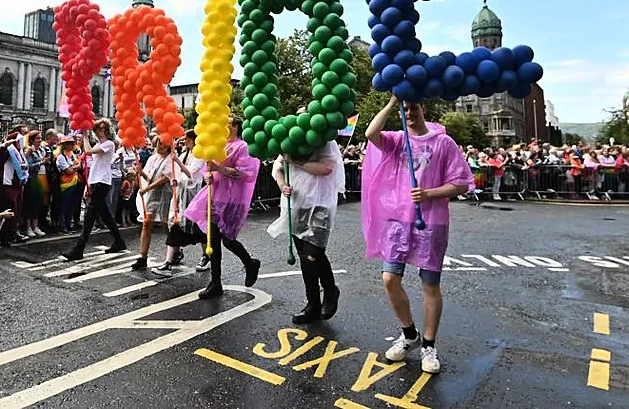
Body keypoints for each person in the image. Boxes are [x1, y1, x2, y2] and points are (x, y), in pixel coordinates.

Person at [362, 96, 473, 374]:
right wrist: (391, 103)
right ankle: (409, 334)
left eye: (413, 108)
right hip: (397, 220)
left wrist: (428, 194)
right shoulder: (397, 140)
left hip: (431, 221)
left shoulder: (443, 142)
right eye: (405, 109)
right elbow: (370, 133)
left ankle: (429, 346)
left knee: (430, 285)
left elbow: (461, 184)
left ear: (423, 108)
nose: (409, 113)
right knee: (389, 278)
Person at [184, 116, 261, 298]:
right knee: (213, 239)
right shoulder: (217, 144)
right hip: (215, 196)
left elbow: (244, 173)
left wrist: (219, 169)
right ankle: (215, 282)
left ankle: (250, 263)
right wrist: (207, 175)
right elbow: (206, 167)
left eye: (226, 123)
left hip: (233, 199)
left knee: (228, 240)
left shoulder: (242, 147)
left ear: (234, 127)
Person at [272, 139, 345, 323]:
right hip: (297, 204)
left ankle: (330, 288)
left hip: (320, 203)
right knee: (304, 257)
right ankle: (312, 304)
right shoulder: (289, 140)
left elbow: (327, 168)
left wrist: (296, 162)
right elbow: (279, 167)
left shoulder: (324, 140)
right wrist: (282, 186)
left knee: (314, 253)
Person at [64, 119, 127, 260]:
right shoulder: (100, 144)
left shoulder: (109, 144)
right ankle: (119, 241)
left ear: (106, 130)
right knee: (105, 214)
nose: (98, 131)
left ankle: (79, 248)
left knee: (90, 215)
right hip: (96, 181)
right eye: (97, 129)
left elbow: (88, 151)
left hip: (102, 181)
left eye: (101, 129)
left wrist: (85, 136)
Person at [155, 130, 206, 274]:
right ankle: (168, 261)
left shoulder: (199, 155)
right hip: (180, 197)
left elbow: (191, 174)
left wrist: (177, 161)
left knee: (198, 227)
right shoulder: (184, 154)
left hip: (192, 197)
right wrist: (174, 178)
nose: (187, 142)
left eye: (189, 139)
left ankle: (206, 254)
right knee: (176, 226)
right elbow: (177, 173)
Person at [132, 139, 174, 270]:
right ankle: (143, 257)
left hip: (165, 194)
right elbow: (149, 177)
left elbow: (165, 178)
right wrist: (141, 172)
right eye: (160, 143)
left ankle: (175, 248)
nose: (161, 146)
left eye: (165, 144)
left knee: (166, 224)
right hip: (151, 194)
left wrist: (147, 188)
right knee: (146, 222)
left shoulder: (171, 159)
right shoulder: (152, 158)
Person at [55, 135, 81, 233]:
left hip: (73, 182)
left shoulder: (71, 154)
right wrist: (74, 167)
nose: (72, 145)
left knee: (71, 205)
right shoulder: (61, 157)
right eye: (70, 143)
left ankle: (68, 224)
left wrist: (73, 167)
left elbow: (79, 164)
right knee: (64, 205)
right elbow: (68, 171)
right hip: (65, 184)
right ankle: (63, 225)